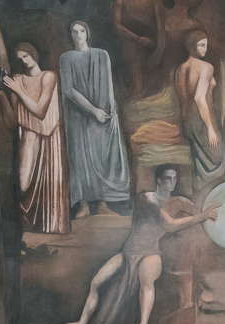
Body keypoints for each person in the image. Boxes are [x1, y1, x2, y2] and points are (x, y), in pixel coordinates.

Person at [65, 164, 218, 324]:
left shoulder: (179, 202)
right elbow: (169, 225)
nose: (172, 182)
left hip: (150, 253)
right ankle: (82, 322)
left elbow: (199, 213)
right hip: (128, 252)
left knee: (146, 286)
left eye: (174, 179)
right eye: (168, 178)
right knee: (96, 282)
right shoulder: (146, 198)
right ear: (159, 180)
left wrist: (207, 214)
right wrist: (201, 216)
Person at [60, 20, 132, 218]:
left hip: (103, 114)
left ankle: (101, 202)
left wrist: (109, 112)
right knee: (80, 158)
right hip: (78, 115)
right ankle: (83, 204)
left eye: (82, 30)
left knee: (101, 157)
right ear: (70, 35)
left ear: (87, 32)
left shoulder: (101, 55)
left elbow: (108, 85)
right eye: (74, 31)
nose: (78, 35)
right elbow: (68, 90)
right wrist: (93, 110)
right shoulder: (66, 58)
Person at [0, 42, 69, 236]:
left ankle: (48, 228)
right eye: (20, 58)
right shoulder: (17, 80)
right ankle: (30, 227)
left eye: (26, 56)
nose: (24, 61)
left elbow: (40, 110)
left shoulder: (48, 76)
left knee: (51, 184)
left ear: (34, 55)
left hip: (49, 135)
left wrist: (18, 90)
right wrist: (0, 95)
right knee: (23, 183)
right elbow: (12, 122)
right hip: (28, 133)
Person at [175, 30, 225, 200]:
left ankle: (200, 199)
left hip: (188, 120)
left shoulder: (180, 69)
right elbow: (199, 98)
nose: (206, 48)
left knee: (199, 160)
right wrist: (210, 127)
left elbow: (183, 100)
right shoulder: (206, 67)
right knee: (218, 159)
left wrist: (185, 121)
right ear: (192, 46)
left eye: (206, 44)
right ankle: (213, 198)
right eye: (202, 45)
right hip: (203, 119)